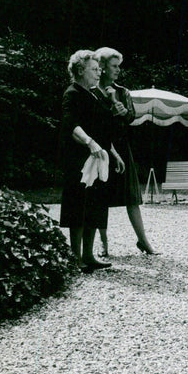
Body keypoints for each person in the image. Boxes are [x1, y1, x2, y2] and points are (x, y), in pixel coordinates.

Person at [59, 50, 125, 272]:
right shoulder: (73, 93)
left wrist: (112, 152)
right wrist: (89, 142)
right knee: (78, 207)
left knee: (95, 206)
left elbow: (104, 127)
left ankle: (88, 255)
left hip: (100, 158)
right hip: (80, 159)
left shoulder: (95, 94)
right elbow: (71, 124)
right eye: (94, 69)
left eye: (99, 69)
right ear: (80, 70)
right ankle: (76, 258)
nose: (99, 73)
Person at [92, 47, 158, 255]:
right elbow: (91, 123)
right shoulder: (91, 92)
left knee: (132, 198)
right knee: (100, 198)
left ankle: (144, 241)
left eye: (119, 66)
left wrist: (120, 109)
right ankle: (103, 244)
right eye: (114, 66)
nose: (118, 70)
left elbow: (130, 118)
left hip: (121, 146)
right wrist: (111, 111)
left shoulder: (123, 91)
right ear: (101, 67)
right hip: (101, 148)